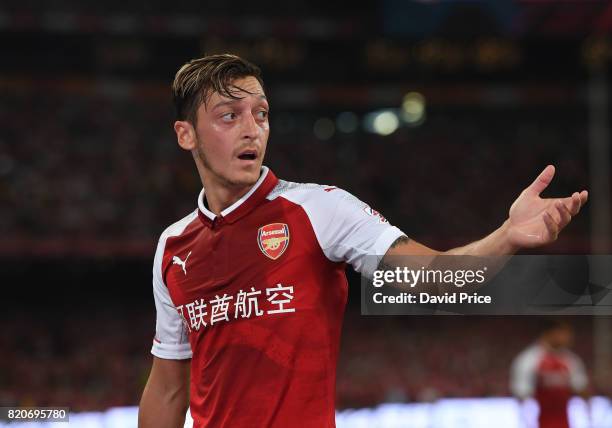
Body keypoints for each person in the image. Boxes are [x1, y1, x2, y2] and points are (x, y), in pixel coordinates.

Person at [137, 53, 588, 428]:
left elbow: (432, 278)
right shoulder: (174, 247)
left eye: (261, 113)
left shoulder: (321, 210)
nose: (252, 128)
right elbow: (169, 387)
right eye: (229, 116)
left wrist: (507, 237)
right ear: (186, 134)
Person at [510, 320, 589, 428]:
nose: (569, 337)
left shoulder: (572, 361)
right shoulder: (529, 360)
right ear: (551, 333)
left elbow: (582, 389)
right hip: (538, 423)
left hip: (565, 423)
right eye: (564, 333)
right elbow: (521, 395)